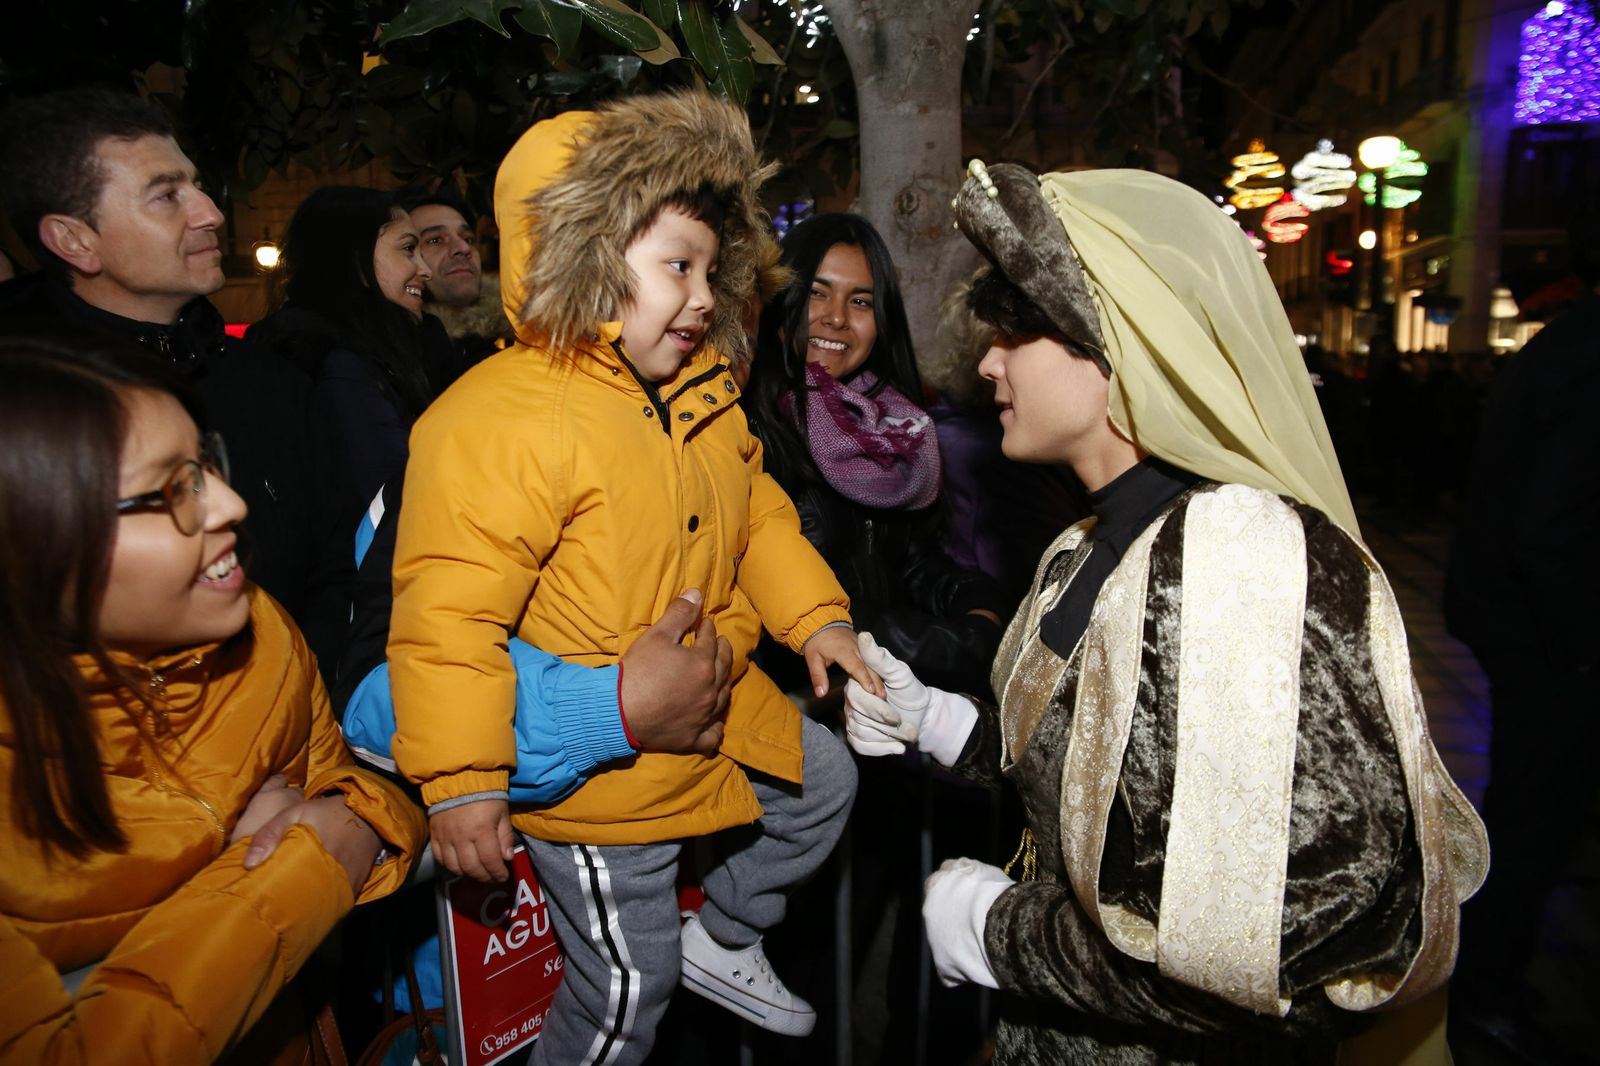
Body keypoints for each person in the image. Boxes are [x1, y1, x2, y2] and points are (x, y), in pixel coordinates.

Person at [843, 162, 1488, 1064]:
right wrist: (947, 726)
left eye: (1019, 329)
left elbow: (1276, 953)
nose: (988, 358)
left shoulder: (1239, 560)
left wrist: (1000, 933)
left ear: (1124, 346)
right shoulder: (1094, 542)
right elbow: (1112, 782)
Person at [385, 91, 879, 1064]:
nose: (703, 297)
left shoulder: (701, 393)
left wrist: (820, 618)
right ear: (583, 255)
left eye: (708, 268)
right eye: (676, 268)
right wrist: (463, 781)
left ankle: (724, 938)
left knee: (825, 786)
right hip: (605, 779)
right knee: (622, 990)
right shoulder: (497, 419)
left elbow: (760, 519)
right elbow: (446, 615)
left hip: (717, 704)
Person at [0, 334, 425, 1065]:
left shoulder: (255, 631)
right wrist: (314, 859)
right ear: (38, 543)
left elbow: (347, 782)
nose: (230, 503)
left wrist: (361, 815)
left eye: (206, 466)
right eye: (173, 489)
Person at [0, 87, 318, 624]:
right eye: (166, 195)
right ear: (74, 241)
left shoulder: (273, 381)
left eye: (197, 185)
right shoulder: (28, 416)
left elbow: (332, 567)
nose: (212, 214)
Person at [745, 212, 1006, 697]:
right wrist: (962, 649)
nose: (837, 317)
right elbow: (797, 601)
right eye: (818, 292)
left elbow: (908, 560)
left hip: (885, 691)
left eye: (860, 300)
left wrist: (978, 599)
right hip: (800, 701)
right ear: (782, 303)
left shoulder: (888, 425)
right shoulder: (749, 430)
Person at [1444, 288, 1600, 1055]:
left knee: (1531, 815)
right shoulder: (1584, 355)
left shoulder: (1567, 344)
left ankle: (1489, 982)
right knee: (1534, 820)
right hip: (1543, 639)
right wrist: (1582, 647)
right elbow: (1551, 530)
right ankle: (1485, 990)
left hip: (1523, 623)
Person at [247, 187, 460, 685]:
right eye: (407, 250)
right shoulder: (337, 364)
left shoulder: (388, 348)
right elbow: (391, 501)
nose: (424, 270)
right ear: (354, 260)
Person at [398, 189, 507, 363]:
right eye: (435, 240)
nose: (463, 248)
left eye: (468, 239)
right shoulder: (390, 364)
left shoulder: (523, 341)